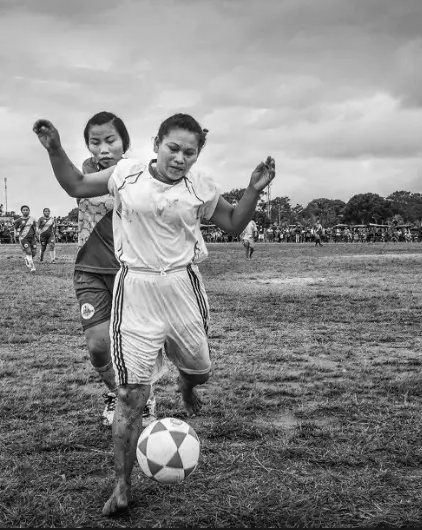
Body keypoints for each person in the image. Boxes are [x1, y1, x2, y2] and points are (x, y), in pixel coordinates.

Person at [33, 112, 275, 516]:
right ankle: (122, 487)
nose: (180, 158)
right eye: (173, 148)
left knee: (200, 371)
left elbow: (233, 223)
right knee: (130, 394)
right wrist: (55, 147)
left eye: (189, 152)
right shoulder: (126, 174)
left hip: (183, 288)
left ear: (198, 155)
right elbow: (75, 184)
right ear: (156, 143)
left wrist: (252, 190)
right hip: (136, 289)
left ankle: (186, 385)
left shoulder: (201, 185)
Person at [71, 111, 164, 428]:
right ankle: (118, 393)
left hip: (132, 272)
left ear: (124, 142)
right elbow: (84, 185)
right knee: (98, 346)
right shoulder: (87, 170)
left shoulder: (140, 173)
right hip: (90, 267)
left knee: (134, 347)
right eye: (94, 142)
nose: (102, 148)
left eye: (110, 140)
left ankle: (144, 399)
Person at [14, 205, 38, 272]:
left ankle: (27, 259)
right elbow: (15, 228)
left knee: (34, 253)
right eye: (24, 210)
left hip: (32, 238)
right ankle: (32, 267)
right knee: (29, 252)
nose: (25, 211)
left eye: (27, 210)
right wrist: (15, 234)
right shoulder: (19, 220)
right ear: (21, 211)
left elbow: (35, 228)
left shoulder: (32, 219)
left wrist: (36, 234)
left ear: (29, 211)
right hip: (24, 238)